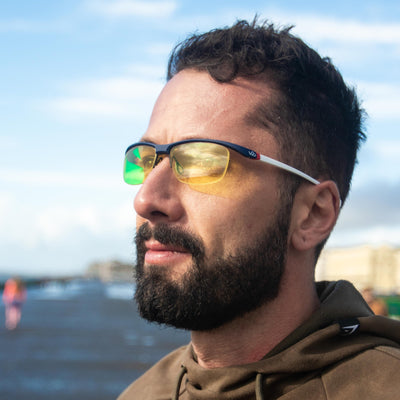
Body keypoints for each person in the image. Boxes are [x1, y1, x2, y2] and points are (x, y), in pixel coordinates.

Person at [119, 19, 400, 399]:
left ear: (313, 214)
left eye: (203, 160)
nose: (145, 199)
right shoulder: (142, 393)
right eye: (146, 159)